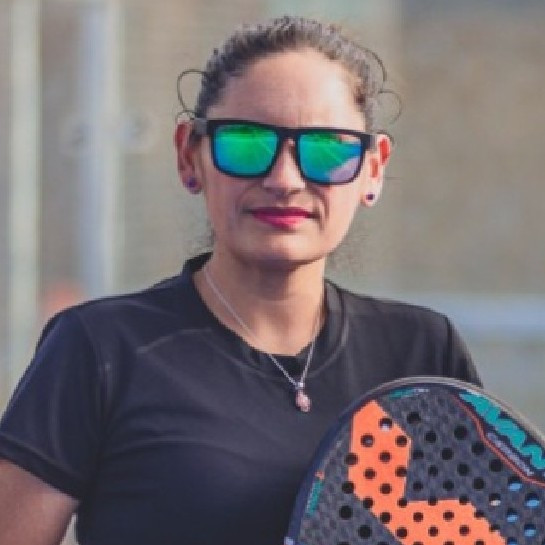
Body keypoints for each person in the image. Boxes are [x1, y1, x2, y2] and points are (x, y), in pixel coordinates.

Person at [0, 15, 481, 545]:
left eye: (327, 150)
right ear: (190, 156)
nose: (284, 179)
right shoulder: (101, 349)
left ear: (373, 168)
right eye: (247, 144)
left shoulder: (422, 356)